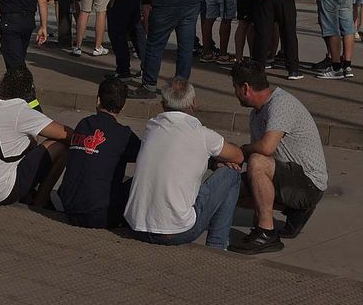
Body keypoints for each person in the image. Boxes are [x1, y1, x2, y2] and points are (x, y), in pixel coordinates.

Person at [124, 78, 245, 249]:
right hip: (174, 233)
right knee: (232, 174)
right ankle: (217, 246)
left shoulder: (152, 126)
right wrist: (218, 161)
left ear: (163, 104)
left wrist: (212, 162)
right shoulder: (203, 135)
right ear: (194, 103)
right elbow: (238, 156)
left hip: (136, 226)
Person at [230, 60, 327, 254]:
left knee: (257, 161)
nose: (235, 93)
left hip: (309, 184)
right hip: (286, 177)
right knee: (231, 187)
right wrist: (231, 159)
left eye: (235, 87)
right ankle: (295, 211)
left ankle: (267, 234)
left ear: (246, 88)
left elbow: (265, 148)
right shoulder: (256, 114)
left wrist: (243, 150)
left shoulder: (281, 103)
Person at [0, 67, 70, 207]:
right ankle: (40, 201)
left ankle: (29, 193)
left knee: (30, 141)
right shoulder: (20, 112)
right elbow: (68, 134)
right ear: (29, 91)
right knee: (60, 146)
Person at [58, 77, 141, 229]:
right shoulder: (124, 134)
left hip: (69, 207)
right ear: (122, 106)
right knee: (142, 179)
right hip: (102, 216)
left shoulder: (83, 124)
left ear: (98, 101)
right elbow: (145, 157)